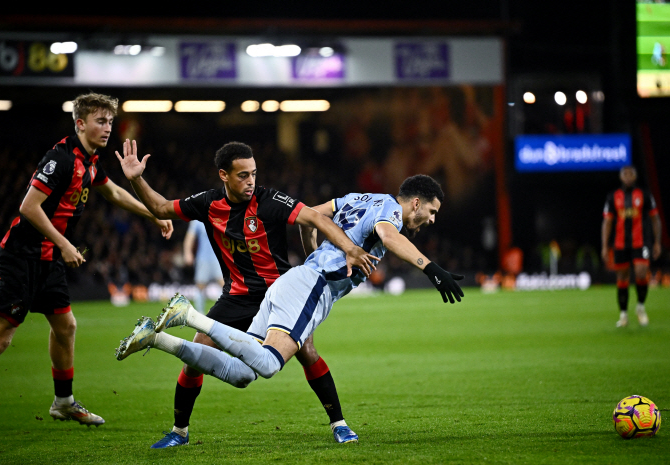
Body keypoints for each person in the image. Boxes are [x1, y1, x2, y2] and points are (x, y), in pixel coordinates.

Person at [115, 174, 465, 442]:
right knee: (268, 365)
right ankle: (189, 315)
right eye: (432, 212)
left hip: (292, 282)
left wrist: (313, 246)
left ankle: (155, 340)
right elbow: (388, 236)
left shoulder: (362, 197)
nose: (432, 220)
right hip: (312, 286)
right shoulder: (391, 212)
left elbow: (315, 215)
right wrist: (431, 269)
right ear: (416, 203)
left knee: (242, 374)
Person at [114, 139, 378, 447]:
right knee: (196, 358)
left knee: (307, 352)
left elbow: (316, 218)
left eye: (253, 173)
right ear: (223, 175)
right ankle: (179, 432)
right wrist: (135, 179)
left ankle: (339, 424)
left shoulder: (271, 201)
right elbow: (160, 207)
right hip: (236, 296)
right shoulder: (208, 203)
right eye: (242, 175)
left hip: (280, 292)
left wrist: (350, 248)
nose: (251, 181)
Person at [0, 93, 173, 426]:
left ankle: (64, 403)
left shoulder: (90, 160)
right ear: (80, 123)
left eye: (110, 121)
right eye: (100, 121)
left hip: (48, 256)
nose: (107, 127)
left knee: (66, 326)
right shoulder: (62, 159)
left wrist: (153, 213)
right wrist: (65, 243)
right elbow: (28, 207)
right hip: (23, 254)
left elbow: (112, 192)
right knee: (1, 337)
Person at [601, 165, 661, 328]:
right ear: (621, 177)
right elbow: (607, 222)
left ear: (635, 176)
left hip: (641, 242)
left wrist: (657, 242)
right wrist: (605, 246)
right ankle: (623, 315)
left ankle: (640, 307)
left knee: (641, 272)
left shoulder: (645, 195)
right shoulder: (613, 196)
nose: (628, 177)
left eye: (631, 174)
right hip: (620, 243)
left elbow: (655, 219)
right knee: (622, 277)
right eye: (625, 174)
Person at [183, 220, 224, 311]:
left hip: (219, 258)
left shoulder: (218, 215)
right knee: (200, 286)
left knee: (225, 285)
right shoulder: (197, 220)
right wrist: (187, 253)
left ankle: (225, 311)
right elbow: (189, 237)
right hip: (203, 259)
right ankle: (200, 314)